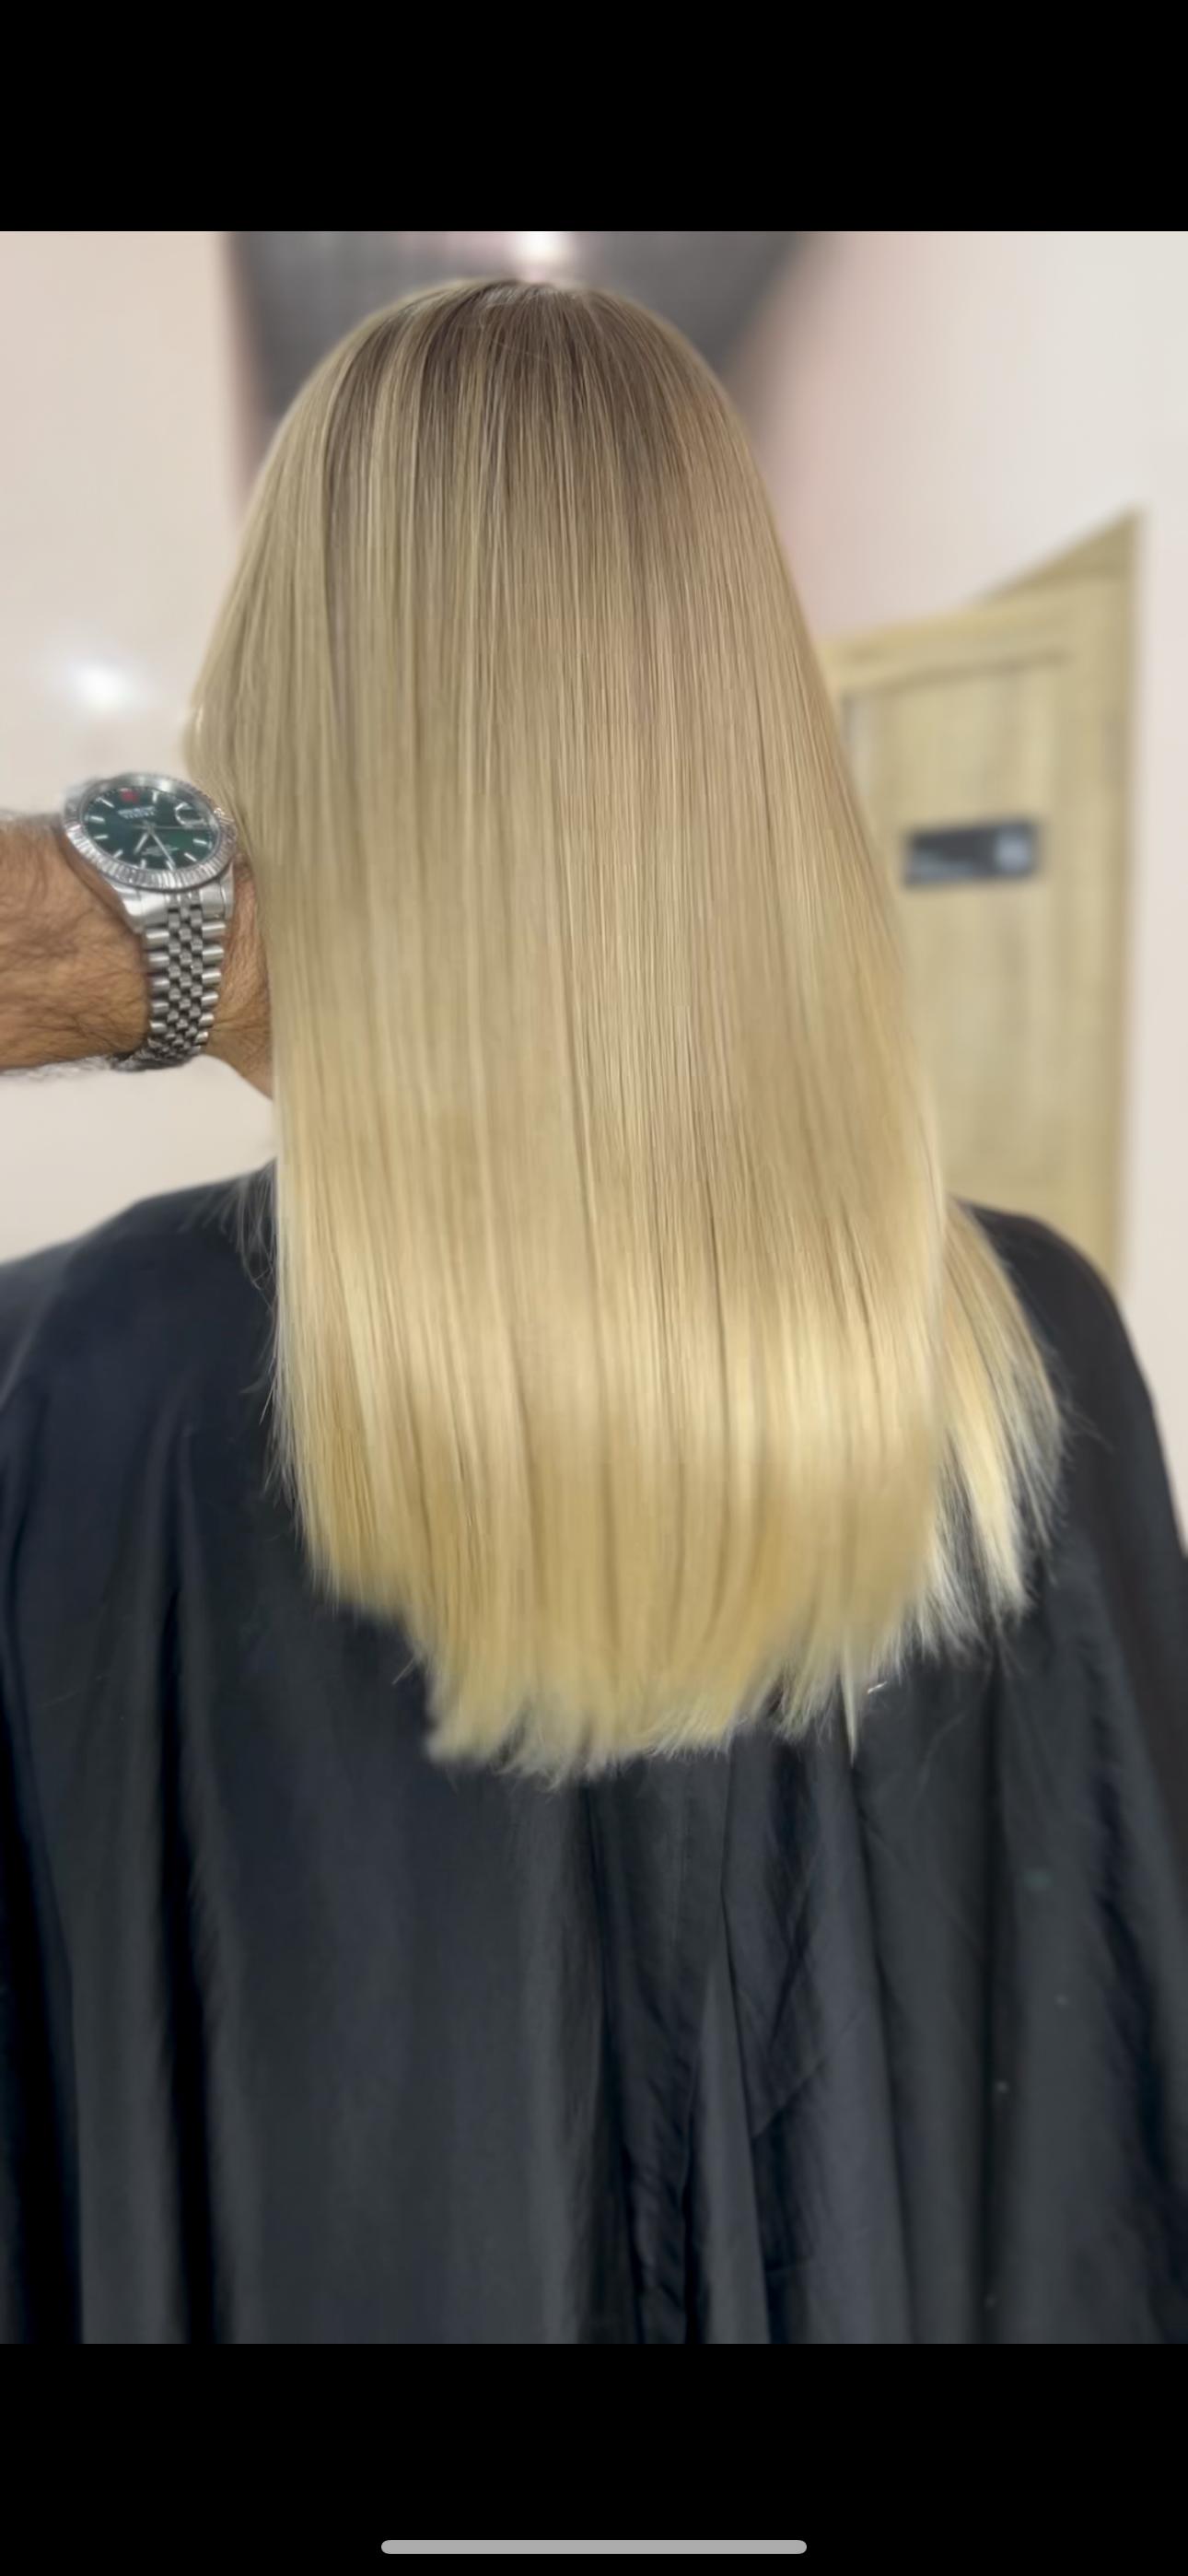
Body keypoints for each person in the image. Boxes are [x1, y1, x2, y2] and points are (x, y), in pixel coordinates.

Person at [1, 280, 1185, 2346]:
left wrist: (153, 930)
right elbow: (1102, 2170)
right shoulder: (1023, 1357)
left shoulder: (81, 1380)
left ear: (275, 729)